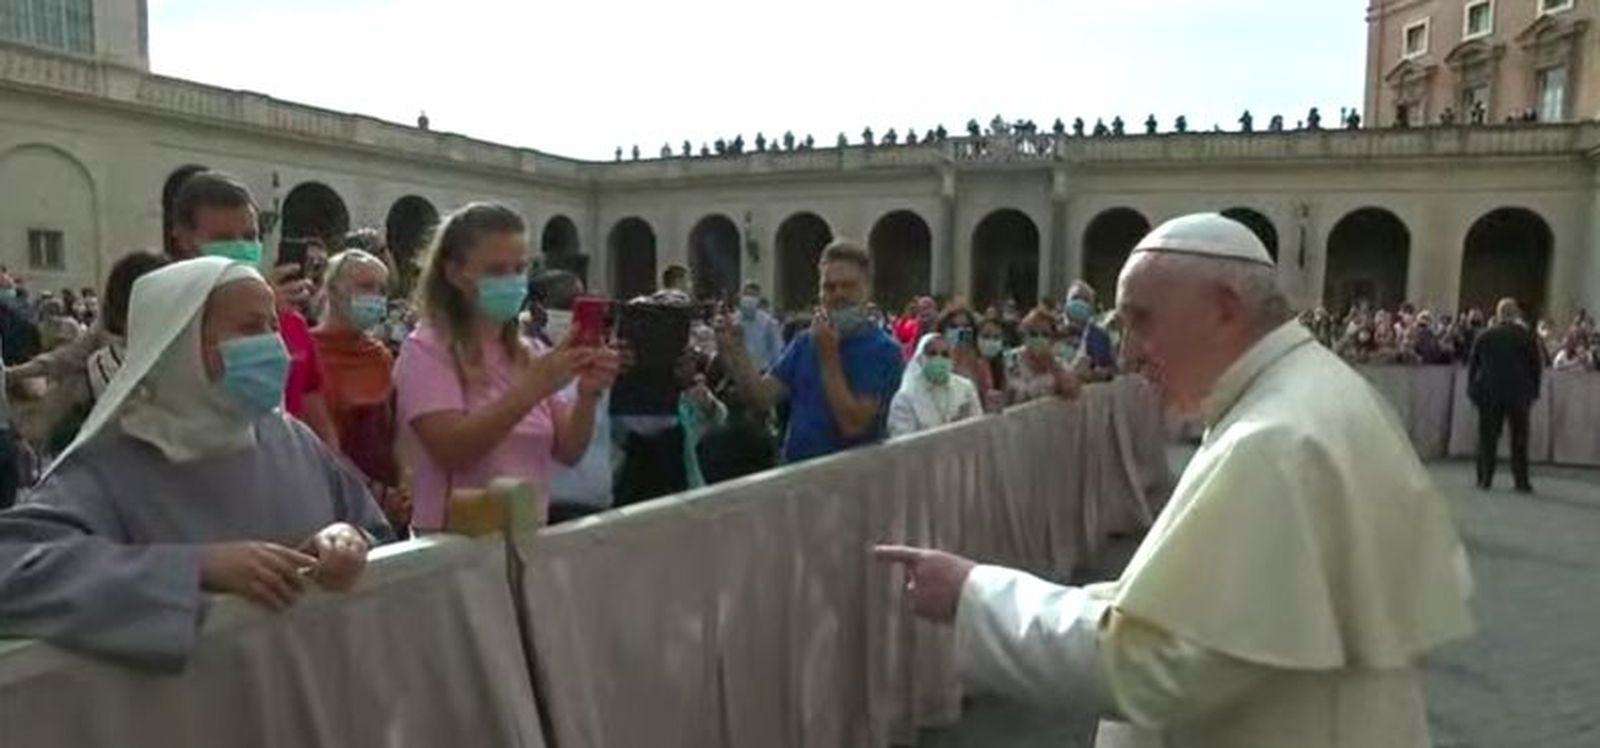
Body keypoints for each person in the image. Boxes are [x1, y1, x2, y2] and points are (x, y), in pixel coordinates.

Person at [876, 213, 1473, 748]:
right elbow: (1193, 613)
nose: (1131, 350)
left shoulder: (1273, 441)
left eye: (1142, 319)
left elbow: (1154, 662)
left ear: (1223, 307)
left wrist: (975, 597)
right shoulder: (1317, 396)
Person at [0, 257, 393, 668]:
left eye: (273, 326)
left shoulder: (290, 439)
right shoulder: (110, 463)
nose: (273, 345)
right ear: (181, 345)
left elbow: (374, 531)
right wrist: (194, 568)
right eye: (249, 328)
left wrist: (346, 541)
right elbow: (12, 569)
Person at [394, 203, 618, 531]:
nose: (513, 282)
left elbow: (569, 450)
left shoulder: (529, 351)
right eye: (497, 271)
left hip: (527, 537)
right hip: (454, 544)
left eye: (519, 269)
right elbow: (452, 450)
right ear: (455, 273)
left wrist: (587, 393)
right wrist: (532, 389)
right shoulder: (426, 349)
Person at [715, 240, 903, 464]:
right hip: (798, 477)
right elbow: (761, 397)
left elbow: (853, 425)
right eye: (829, 287)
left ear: (867, 289)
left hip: (850, 481)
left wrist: (829, 356)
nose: (838, 294)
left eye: (848, 285)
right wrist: (737, 350)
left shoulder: (883, 350)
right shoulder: (805, 342)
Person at [312, 249, 410, 536]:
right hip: (331, 504)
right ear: (333, 290)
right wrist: (371, 494)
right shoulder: (307, 352)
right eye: (366, 287)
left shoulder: (380, 355)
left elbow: (398, 430)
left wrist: (403, 485)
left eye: (381, 289)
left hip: (389, 509)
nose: (376, 297)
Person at [1468, 298, 1543, 493]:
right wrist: (1534, 391)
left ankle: (1485, 478)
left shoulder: (1484, 336)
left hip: (1489, 394)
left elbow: (1473, 367)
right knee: (1519, 438)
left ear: (1499, 313)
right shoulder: (1526, 337)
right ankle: (1521, 481)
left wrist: (1473, 392)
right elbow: (1536, 367)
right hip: (1518, 395)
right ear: (1516, 314)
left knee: (1487, 438)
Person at [888, 333, 983, 437]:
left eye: (945, 354)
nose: (939, 358)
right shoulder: (905, 397)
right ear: (920, 359)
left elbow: (978, 428)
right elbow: (902, 442)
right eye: (932, 353)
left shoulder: (965, 387)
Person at [1004, 309, 1079, 405]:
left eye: (1045, 335)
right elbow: (1020, 394)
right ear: (1024, 335)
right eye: (1033, 334)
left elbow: (1072, 389)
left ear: (1052, 339)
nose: (1039, 338)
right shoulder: (1011, 359)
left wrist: (1054, 367)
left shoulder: (1057, 362)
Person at [936, 307, 996, 396]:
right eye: (954, 326)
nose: (960, 331)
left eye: (966, 326)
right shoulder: (936, 364)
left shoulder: (981, 364)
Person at [1063, 298, 1117, 380]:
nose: (1068, 324)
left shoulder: (1097, 336)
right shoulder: (1082, 334)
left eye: (1069, 319)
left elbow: (1099, 362)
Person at [735, 281, 784, 371]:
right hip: (739, 372)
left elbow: (777, 351)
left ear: (758, 299)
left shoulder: (768, 322)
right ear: (740, 296)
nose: (749, 299)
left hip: (761, 372)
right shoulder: (733, 320)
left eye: (753, 295)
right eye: (747, 294)